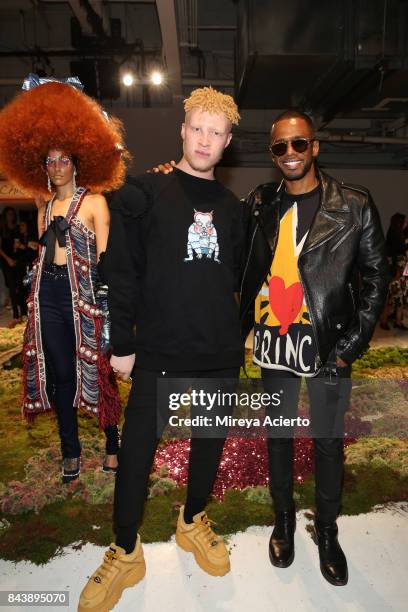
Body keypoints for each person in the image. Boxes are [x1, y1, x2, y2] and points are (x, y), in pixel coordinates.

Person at [78, 87, 243, 611]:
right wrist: (122, 341)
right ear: (182, 130)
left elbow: (235, 277)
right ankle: (126, 550)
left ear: (228, 142)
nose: (204, 139)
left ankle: (192, 519)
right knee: (135, 452)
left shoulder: (235, 210)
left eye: (215, 133)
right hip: (159, 352)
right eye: (197, 128)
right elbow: (121, 271)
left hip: (218, 352)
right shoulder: (147, 192)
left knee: (209, 443)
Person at [240, 110, 389, 586]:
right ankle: (283, 520)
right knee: (278, 435)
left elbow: (376, 279)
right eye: (280, 147)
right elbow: (240, 261)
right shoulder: (262, 202)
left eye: (298, 144)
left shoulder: (354, 204)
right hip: (274, 339)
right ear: (272, 153)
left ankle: (327, 530)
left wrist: (350, 345)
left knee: (327, 442)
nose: (290, 154)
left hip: (328, 344)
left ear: (315, 147)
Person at [0, 74, 128, 483]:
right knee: (58, 373)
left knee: (99, 369)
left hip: (87, 298)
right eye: (49, 161)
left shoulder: (94, 202)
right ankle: (70, 450)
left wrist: (110, 313)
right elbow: (43, 256)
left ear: (78, 160)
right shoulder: (44, 209)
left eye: (63, 159)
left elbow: (109, 260)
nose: (55, 167)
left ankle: (112, 442)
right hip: (49, 296)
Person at [0, 206, 27, 326]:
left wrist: (17, 255)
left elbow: (18, 244)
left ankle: (24, 313)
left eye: (12, 214)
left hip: (17, 260)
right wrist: (8, 259)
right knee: (11, 287)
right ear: (5, 215)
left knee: (20, 286)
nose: (11, 216)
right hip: (6, 261)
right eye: (8, 214)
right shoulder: (1, 229)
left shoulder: (16, 228)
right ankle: (16, 315)